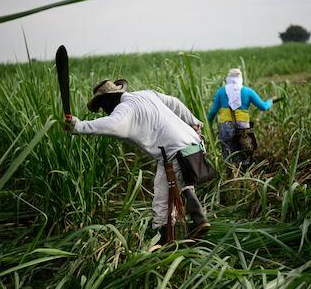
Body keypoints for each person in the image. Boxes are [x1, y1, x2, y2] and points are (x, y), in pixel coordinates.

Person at [68, 79, 210, 243]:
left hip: (174, 154)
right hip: (193, 143)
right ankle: (199, 220)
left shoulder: (124, 109)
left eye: (102, 106)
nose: (104, 111)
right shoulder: (147, 94)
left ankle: (165, 244)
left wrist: (78, 126)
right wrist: (194, 122)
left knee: (161, 204)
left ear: (108, 99)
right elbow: (176, 103)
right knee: (182, 182)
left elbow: (112, 125)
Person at [207, 68, 273, 167]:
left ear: (228, 78)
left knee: (227, 154)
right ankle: (245, 176)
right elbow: (263, 107)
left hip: (226, 126)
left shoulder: (221, 92)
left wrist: (208, 124)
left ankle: (230, 176)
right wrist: (270, 102)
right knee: (245, 152)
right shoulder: (248, 91)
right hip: (243, 125)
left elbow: (212, 112)